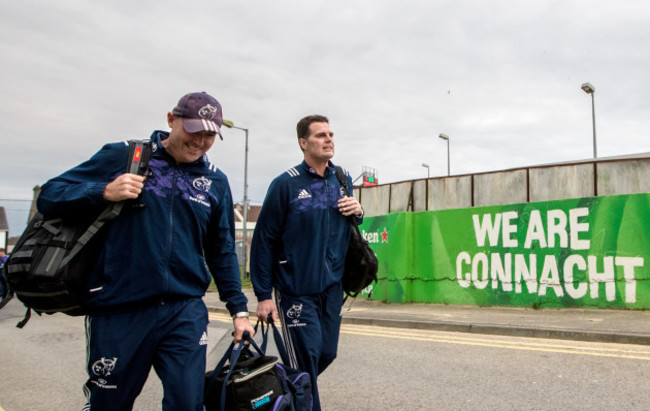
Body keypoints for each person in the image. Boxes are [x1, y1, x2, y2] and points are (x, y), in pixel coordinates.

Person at [37, 91, 254, 411]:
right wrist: (103, 191)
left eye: (210, 135)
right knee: (109, 404)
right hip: (120, 308)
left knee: (188, 403)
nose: (200, 141)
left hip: (184, 311)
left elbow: (221, 250)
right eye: (195, 130)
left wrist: (239, 310)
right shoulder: (124, 157)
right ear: (171, 120)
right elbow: (50, 195)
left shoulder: (214, 181)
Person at [250, 114, 363, 410]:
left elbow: (348, 226)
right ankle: (299, 396)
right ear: (303, 143)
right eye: (320, 135)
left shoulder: (342, 178)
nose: (328, 139)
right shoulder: (285, 185)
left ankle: (282, 391)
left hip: (332, 286)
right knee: (304, 364)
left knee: (326, 353)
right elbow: (264, 240)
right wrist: (263, 294)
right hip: (295, 288)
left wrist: (358, 209)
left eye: (330, 134)